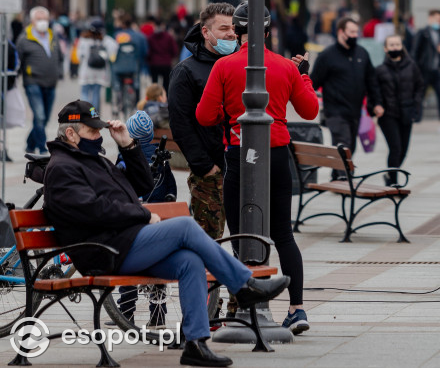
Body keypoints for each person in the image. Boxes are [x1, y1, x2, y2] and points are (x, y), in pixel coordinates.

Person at [43, 100, 289, 367]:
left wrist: (127, 145)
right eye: (92, 131)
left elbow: (142, 185)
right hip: (103, 251)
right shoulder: (62, 168)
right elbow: (94, 210)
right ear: (70, 134)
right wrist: (144, 215)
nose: (99, 135)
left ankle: (196, 344)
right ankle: (244, 285)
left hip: (123, 243)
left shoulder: (93, 161)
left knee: (189, 261)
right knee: (184, 226)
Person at [197, 2, 319, 334]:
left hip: (240, 153)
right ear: (268, 31)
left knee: (241, 236)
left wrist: (227, 107)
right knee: (283, 233)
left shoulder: (223, 67)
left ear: (235, 31)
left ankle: (246, 309)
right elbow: (309, 111)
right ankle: (297, 308)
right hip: (278, 153)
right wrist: (303, 75)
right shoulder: (285, 67)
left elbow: (204, 116)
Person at [168, 3, 237, 242]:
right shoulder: (186, 72)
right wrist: (204, 166)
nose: (231, 34)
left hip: (239, 165)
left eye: (234, 28)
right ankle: (204, 280)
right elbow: (180, 124)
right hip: (211, 171)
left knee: (244, 237)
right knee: (207, 239)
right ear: (206, 33)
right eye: (224, 28)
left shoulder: (240, 65)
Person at [310, 17, 384, 177]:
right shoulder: (327, 56)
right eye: (351, 32)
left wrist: (377, 103)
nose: (354, 35)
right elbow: (313, 82)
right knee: (343, 144)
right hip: (335, 111)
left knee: (351, 147)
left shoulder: (362, 53)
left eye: (356, 32)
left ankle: (337, 176)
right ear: (340, 32)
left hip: (355, 111)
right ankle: (344, 179)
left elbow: (371, 81)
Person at [375, 34, 424, 186]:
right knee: (395, 148)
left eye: (397, 44)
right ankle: (393, 182)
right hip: (388, 115)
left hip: (406, 112)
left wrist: (416, 103)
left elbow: (419, 86)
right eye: (392, 45)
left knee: (403, 150)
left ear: (402, 46)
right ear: (385, 49)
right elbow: (374, 90)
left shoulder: (411, 66)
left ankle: (390, 175)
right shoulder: (380, 70)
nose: (395, 47)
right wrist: (377, 105)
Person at [16, 6, 61, 154]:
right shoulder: (24, 38)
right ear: (32, 20)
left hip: (51, 83)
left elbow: (58, 56)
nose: (42, 22)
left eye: (44, 19)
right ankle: (42, 148)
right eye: (39, 19)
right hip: (33, 82)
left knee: (44, 119)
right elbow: (18, 61)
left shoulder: (52, 35)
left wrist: (59, 71)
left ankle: (30, 144)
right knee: (39, 116)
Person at [413, 9, 440, 119]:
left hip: (436, 70)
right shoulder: (422, 33)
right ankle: (417, 117)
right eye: (436, 19)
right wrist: (416, 69)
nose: (438, 22)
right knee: (420, 94)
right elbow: (415, 52)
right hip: (424, 70)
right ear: (430, 18)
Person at [76, 18, 116, 112]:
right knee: (96, 93)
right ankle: (93, 114)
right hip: (100, 71)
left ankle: (86, 112)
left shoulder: (84, 39)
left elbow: (79, 56)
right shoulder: (106, 40)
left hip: (86, 70)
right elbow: (113, 52)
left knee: (85, 92)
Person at [146, 21, 179, 90]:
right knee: (166, 83)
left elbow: (148, 52)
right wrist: (170, 57)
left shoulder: (150, 38)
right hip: (166, 63)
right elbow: (174, 50)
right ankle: (165, 97)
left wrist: (149, 60)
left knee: (154, 83)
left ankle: (155, 97)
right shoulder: (168, 37)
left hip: (154, 63)